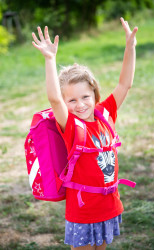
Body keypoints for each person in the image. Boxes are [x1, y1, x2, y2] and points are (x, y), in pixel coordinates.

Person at [32, 17, 138, 250]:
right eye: (72, 100)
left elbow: (124, 84)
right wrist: (50, 59)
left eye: (85, 97)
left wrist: (130, 48)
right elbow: (54, 98)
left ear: (95, 95)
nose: (80, 105)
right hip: (83, 211)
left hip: (108, 206)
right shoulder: (70, 125)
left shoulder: (104, 114)